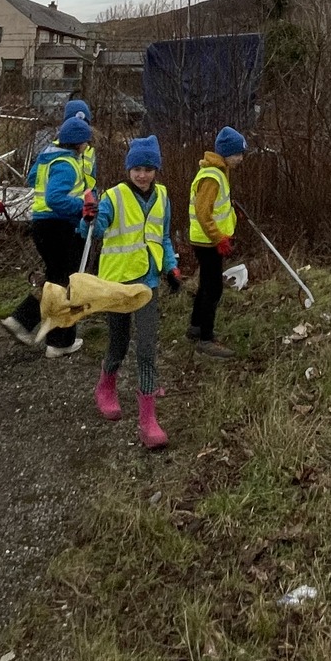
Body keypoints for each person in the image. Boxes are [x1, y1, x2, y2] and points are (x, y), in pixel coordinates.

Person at [86, 135, 181, 448]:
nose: (143, 174)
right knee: (118, 343)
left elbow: (163, 236)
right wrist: (88, 216)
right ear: (129, 168)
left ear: (156, 170)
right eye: (137, 168)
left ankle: (148, 420)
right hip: (117, 283)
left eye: (149, 169)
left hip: (147, 283)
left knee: (147, 348)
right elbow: (95, 230)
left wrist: (171, 268)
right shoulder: (113, 197)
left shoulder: (162, 196)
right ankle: (106, 386)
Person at [1, 110, 96, 357]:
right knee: (68, 283)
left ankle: (24, 320)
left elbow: (34, 178)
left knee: (56, 280)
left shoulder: (48, 158)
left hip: (43, 225)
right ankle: (58, 340)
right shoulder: (67, 165)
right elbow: (55, 198)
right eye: (86, 142)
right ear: (79, 143)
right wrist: (82, 206)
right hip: (59, 226)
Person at [185, 126, 244, 358]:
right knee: (214, 288)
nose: (240, 158)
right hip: (207, 242)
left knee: (206, 285)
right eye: (237, 154)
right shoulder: (212, 176)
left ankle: (195, 327)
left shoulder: (219, 171)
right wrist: (218, 238)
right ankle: (206, 339)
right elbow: (203, 212)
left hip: (208, 240)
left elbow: (217, 207)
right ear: (226, 153)